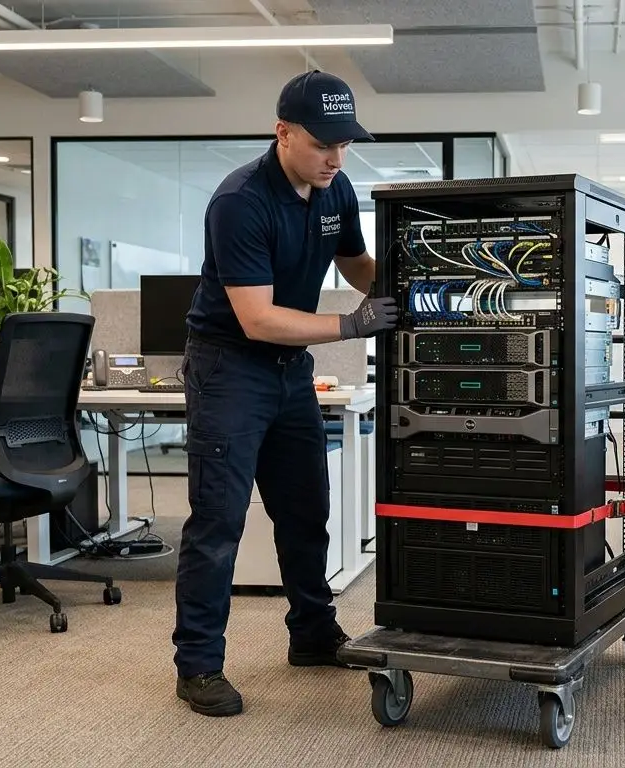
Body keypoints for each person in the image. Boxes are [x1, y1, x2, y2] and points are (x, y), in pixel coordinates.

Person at [172, 70, 399, 717]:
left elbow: (355, 262)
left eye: (345, 144)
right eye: (323, 143)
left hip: (290, 370)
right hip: (230, 365)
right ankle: (198, 666)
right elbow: (257, 317)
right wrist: (351, 325)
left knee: (306, 510)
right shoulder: (241, 200)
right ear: (284, 133)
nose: (335, 156)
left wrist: (402, 289)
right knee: (219, 520)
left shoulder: (336, 188)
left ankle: (312, 632)